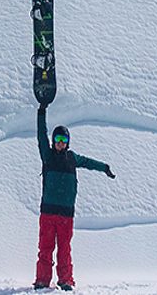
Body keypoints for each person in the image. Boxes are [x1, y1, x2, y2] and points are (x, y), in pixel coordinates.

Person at [33, 103, 116, 291]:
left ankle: (66, 280)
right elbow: (40, 136)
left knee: (64, 249)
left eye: (63, 139)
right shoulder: (47, 155)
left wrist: (104, 167)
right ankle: (42, 281)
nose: (60, 143)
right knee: (45, 249)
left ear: (68, 142)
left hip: (66, 215)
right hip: (48, 213)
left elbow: (88, 162)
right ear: (53, 141)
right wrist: (42, 111)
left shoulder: (72, 158)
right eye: (57, 139)